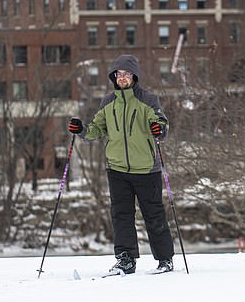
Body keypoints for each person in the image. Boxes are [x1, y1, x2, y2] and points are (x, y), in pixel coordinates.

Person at [68, 53, 174, 274]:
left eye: (126, 74)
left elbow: (160, 123)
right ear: (114, 77)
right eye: (119, 74)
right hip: (117, 170)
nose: (122, 78)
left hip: (146, 168)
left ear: (134, 76)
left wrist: (159, 129)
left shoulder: (148, 99)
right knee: (121, 216)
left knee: (153, 215)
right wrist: (81, 130)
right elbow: (97, 129)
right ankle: (126, 260)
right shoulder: (108, 102)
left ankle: (165, 259)